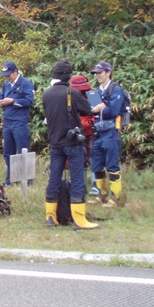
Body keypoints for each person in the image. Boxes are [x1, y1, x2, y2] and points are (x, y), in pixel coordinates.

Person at [42, 60, 99, 229]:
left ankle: (50, 217)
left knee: (54, 179)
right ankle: (79, 219)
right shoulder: (72, 93)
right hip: (72, 143)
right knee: (77, 179)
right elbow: (88, 110)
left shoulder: (46, 94)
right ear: (69, 76)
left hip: (55, 143)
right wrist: (99, 107)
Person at [90, 61, 125, 207]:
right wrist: (101, 107)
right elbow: (91, 110)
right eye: (96, 73)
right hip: (98, 132)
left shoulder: (116, 90)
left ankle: (115, 197)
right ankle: (102, 195)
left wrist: (100, 108)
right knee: (96, 165)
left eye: (100, 72)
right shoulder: (95, 92)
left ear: (108, 73)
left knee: (112, 164)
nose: (97, 75)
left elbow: (114, 110)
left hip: (111, 131)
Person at [0, 61, 35, 186]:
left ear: (15, 71)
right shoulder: (6, 85)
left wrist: (13, 101)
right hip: (7, 121)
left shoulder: (26, 83)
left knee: (23, 150)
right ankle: (11, 178)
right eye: (5, 75)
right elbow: (1, 97)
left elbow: (29, 101)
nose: (7, 77)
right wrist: (1, 103)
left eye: (9, 74)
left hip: (19, 122)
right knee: (8, 152)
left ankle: (27, 179)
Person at [69, 75, 97, 195]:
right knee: (80, 159)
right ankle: (82, 186)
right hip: (78, 132)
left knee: (94, 158)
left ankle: (96, 185)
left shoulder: (93, 95)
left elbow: (98, 112)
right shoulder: (70, 97)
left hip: (91, 131)